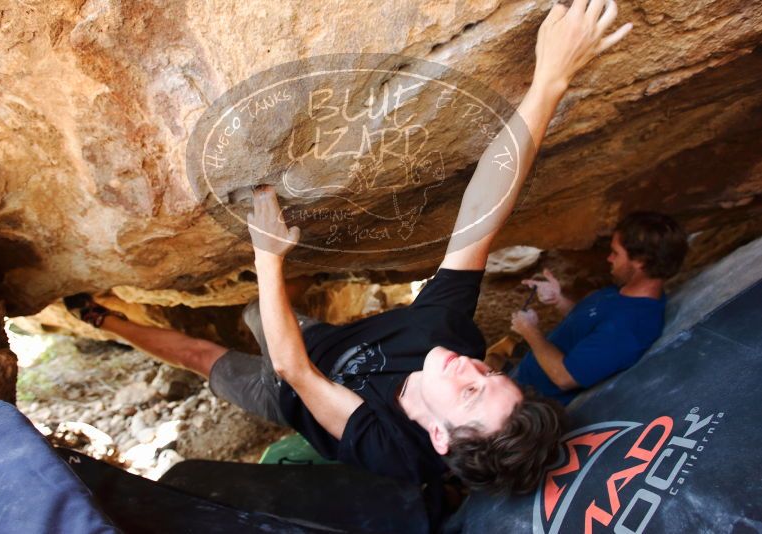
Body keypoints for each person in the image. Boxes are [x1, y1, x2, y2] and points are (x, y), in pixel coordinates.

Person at [65, 0, 632, 498]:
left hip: (287, 390)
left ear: (438, 435)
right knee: (250, 311)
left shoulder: (396, 450)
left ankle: (106, 319)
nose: (470, 368)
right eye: (489, 374)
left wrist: (268, 252)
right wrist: (551, 79)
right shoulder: (450, 339)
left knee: (201, 356)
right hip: (323, 340)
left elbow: (292, 370)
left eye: (468, 392)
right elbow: (481, 212)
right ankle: (290, 290)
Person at [508, 211, 688, 406]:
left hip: (528, 402)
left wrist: (530, 332)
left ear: (640, 262)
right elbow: (592, 324)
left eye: (616, 253)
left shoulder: (629, 329)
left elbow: (564, 377)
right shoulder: (626, 292)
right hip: (525, 378)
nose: (609, 258)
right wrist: (558, 299)